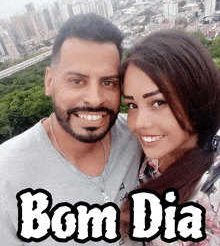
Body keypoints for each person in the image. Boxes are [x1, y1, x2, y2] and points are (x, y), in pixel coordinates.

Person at [0, 13, 142, 246]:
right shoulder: (7, 173)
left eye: (108, 82)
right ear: (49, 82)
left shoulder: (137, 135)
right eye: (77, 81)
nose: (95, 99)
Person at [119, 30, 220, 245]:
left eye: (158, 102)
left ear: (196, 96)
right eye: (132, 105)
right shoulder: (155, 156)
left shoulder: (214, 187)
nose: (139, 123)